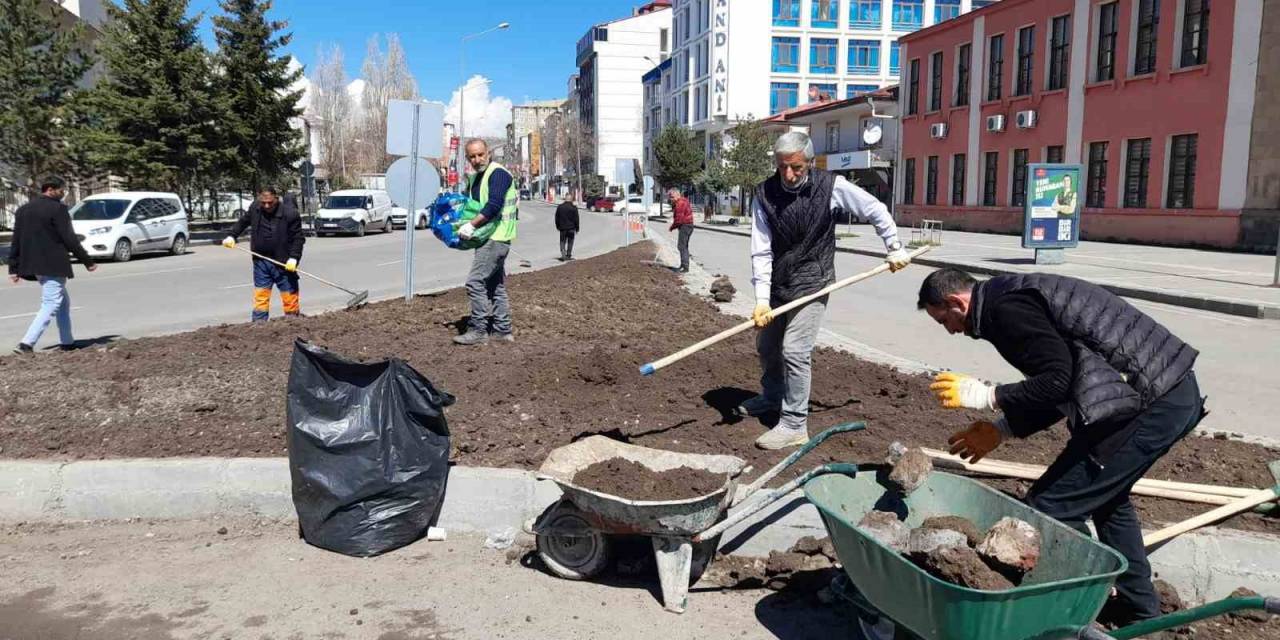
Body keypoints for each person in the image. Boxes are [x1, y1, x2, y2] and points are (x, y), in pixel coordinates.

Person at [918, 268, 1204, 626]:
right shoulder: (1007, 297)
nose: (949, 330)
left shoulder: (1005, 310)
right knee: (1107, 502)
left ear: (956, 301)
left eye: (944, 319)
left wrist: (988, 395)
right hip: (1161, 392)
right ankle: (1140, 612)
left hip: (1148, 402)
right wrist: (1004, 429)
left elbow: (1059, 381)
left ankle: (1072, 610)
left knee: (1053, 507)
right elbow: (1066, 383)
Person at [740, 131, 911, 449]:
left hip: (814, 281)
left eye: (796, 168)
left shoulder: (831, 186)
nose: (788, 175)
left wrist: (894, 247)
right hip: (779, 283)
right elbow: (760, 249)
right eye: (782, 167)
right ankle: (772, 396)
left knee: (794, 351)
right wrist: (762, 300)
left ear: (809, 162)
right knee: (767, 346)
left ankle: (793, 423)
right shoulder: (764, 194)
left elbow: (874, 208)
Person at [8, 176, 97, 354]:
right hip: (53, 264)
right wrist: (87, 261)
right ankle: (26, 343)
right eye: (61, 190)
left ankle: (67, 342)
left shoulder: (23, 210)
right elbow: (69, 238)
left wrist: (13, 267)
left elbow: (16, 239)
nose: (63, 193)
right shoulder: (58, 209)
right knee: (51, 303)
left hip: (34, 265)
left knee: (62, 303)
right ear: (50, 189)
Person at [454, 139, 519, 346]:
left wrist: (471, 226)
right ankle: (502, 330)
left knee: (475, 282)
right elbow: (470, 206)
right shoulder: (475, 179)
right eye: (472, 156)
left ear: (488, 153)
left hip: (496, 237)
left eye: (480, 154)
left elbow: (493, 205)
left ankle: (479, 330)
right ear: (467, 158)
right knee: (494, 285)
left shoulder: (497, 174)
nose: (477, 159)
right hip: (488, 238)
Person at [222, 187, 305, 322]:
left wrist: (294, 258)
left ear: (276, 199)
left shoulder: (290, 214)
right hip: (261, 261)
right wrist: (232, 235)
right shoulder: (256, 208)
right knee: (261, 295)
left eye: (270, 203)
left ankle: (293, 323)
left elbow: (298, 238)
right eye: (263, 202)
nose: (266, 206)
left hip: (283, 262)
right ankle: (259, 325)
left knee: (289, 296)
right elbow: (243, 222)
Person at [668, 188, 694, 272]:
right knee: (684, 246)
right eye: (670, 197)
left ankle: (685, 267)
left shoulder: (680, 203)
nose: (671, 199)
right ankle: (684, 265)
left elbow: (679, 219)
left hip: (685, 226)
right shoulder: (682, 201)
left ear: (677, 195)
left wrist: (672, 227)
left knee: (682, 246)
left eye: (672, 197)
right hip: (687, 225)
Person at [554, 192, 579, 261]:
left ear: (565, 198)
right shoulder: (574, 208)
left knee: (562, 241)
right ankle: (568, 255)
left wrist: (558, 226)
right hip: (571, 228)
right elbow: (576, 219)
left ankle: (563, 254)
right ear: (571, 199)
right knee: (570, 242)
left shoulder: (560, 207)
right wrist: (577, 228)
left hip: (562, 228)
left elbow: (557, 218)